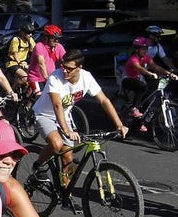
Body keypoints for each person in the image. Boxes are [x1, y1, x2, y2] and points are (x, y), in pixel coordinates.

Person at [31, 50, 128, 186]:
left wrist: (119, 124)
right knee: (57, 144)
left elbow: (104, 101)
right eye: (63, 66)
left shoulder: (86, 78)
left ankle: (65, 193)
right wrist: (67, 130)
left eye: (69, 69)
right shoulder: (55, 77)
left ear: (79, 68)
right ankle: (38, 165)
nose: (64, 71)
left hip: (64, 116)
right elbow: (57, 105)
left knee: (68, 158)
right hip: (44, 114)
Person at [26, 24, 65, 94]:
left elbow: (65, 60)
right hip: (36, 78)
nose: (57, 41)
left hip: (51, 78)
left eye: (58, 39)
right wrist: (47, 78)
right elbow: (41, 63)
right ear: (47, 37)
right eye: (54, 38)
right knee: (39, 97)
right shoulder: (39, 46)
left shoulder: (59, 47)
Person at [4, 20, 36, 88]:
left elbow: (35, 51)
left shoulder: (30, 39)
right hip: (13, 63)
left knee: (33, 78)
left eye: (31, 33)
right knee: (25, 78)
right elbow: (15, 53)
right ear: (22, 32)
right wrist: (20, 63)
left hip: (24, 63)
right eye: (28, 33)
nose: (30, 35)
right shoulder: (16, 40)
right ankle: (11, 91)